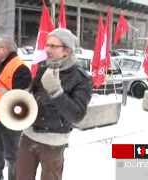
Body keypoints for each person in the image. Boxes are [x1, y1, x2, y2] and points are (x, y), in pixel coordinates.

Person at [16, 28, 92, 180]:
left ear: (67, 51)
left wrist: (57, 93)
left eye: (53, 46)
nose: (47, 49)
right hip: (28, 135)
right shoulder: (44, 67)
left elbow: (77, 115)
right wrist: (20, 94)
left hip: (53, 142)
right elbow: (34, 94)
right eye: (47, 45)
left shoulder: (81, 78)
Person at [0, 34, 32, 180]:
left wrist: (8, 94)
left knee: (12, 155)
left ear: (4, 49)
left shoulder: (21, 69)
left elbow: (23, 101)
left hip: (10, 121)